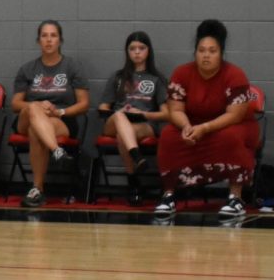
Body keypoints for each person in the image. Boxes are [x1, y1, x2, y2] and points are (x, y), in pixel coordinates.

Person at [154, 20, 259, 220]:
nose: (206, 55)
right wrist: (186, 126)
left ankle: (235, 198)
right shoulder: (182, 73)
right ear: (195, 52)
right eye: (202, 50)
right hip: (193, 124)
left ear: (221, 53)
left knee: (230, 137)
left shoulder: (235, 75)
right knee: (169, 135)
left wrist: (205, 128)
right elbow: (174, 109)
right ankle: (168, 195)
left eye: (212, 51)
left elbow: (235, 115)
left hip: (233, 125)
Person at [11, 20, 90, 208]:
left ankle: (37, 189)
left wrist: (59, 111)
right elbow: (15, 104)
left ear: (60, 40)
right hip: (26, 117)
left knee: (35, 131)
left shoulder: (72, 66)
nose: (48, 40)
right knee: (33, 109)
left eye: (53, 35)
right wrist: (37, 105)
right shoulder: (27, 69)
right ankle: (56, 150)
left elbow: (84, 104)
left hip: (60, 119)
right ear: (38, 40)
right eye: (44, 36)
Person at [97, 31, 169, 206]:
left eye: (141, 48)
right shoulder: (118, 77)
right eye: (132, 48)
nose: (137, 52)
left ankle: (133, 182)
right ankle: (137, 157)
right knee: (121, 116)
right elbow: (103, 107)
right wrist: (118, 111)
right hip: (114, 122)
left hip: (143, 123)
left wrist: (143, 114)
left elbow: (167, 114)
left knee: (124, 135)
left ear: (148, 51)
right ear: (127, 52)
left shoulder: (157, 79)